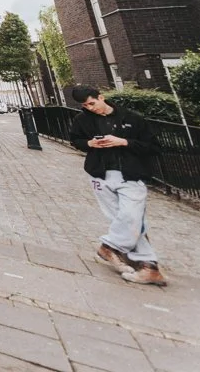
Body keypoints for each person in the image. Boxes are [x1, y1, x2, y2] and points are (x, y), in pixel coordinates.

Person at [68, 85, 166, 286]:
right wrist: (89, 144)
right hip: (101, 175)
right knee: (124, 220)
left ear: (101, 97)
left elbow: (154, 147)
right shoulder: (82, 120)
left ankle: (109, 247)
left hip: (130, 175)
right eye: (85, 105)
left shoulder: (132, 118)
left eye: (92, 103)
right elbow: (75, 140)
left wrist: (123, 142)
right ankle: (149, 267)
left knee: (131, 217)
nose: (90, 108)